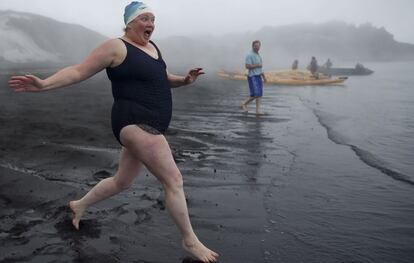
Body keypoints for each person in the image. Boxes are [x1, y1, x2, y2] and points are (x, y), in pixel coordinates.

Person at [8, 2, 219, 262]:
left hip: (148, 124)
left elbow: (160, 79)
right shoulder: (116, 47)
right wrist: (43, 85)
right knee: (174, 181)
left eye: (153, 19)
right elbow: (78, 70)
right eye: (144, 18)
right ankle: (190, 241)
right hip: (135, 122)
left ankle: (79, 205)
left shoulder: (153, 48)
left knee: (122, 181)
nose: (150, 24)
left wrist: (185, 81)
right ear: (129, 23)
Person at [241, 40, 267, 115]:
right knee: (256, 94)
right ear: (253, 46)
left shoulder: (258, 55)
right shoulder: (249, 55)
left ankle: (258, 111)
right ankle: (244, 103)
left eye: (258, 46)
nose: (257, 47)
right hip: (252, 76)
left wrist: (264, 77)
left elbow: (260, 68)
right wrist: (257, 65)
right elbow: (247, 66)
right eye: (256, 46)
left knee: (259, 94)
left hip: (258, 76)